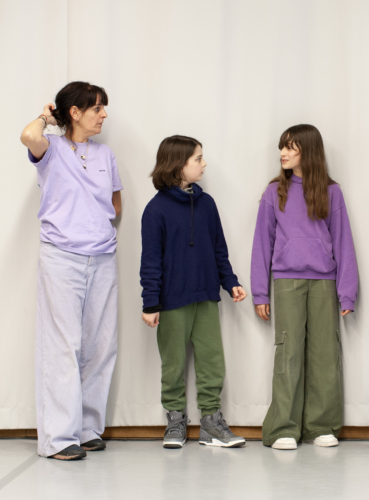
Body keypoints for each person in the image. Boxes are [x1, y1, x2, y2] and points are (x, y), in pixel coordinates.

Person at [19, 81, 122, 461]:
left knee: (100, 346)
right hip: (61, 258)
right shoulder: (51, 149)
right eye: (96, 108)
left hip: (103, 257)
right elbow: (28, 135)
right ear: (75, 112)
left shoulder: (105, 154)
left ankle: (87, 428)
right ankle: (60, 439)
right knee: (63, 346)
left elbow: (115, 202)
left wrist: (95, 226)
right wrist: (48, 117)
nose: (104, 115)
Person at [251, 124, 359, 450]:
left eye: (291, 147)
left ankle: (321, 425)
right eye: (282, 147)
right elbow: (261, 244)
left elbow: (344, 243)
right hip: (286, 282)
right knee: (289, 353)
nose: (283, 153)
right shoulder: (274, 193)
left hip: (324, 282)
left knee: (326, 354)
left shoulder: (331, 192)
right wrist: (259, 292)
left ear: (307, 151)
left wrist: (347, 291)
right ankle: (283, 428)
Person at [140, 135, 247, 449]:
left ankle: (212, 422)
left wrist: (231, 282)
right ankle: (175, 420)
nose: (204, 164)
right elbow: (150, 261)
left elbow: (219, 250)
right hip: (172, 301)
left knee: (213, 360)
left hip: (206, 297)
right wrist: (150, 302)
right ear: (178, 164)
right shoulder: (155, 210)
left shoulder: (207, 204)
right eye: (198, 158)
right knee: (172, 362)